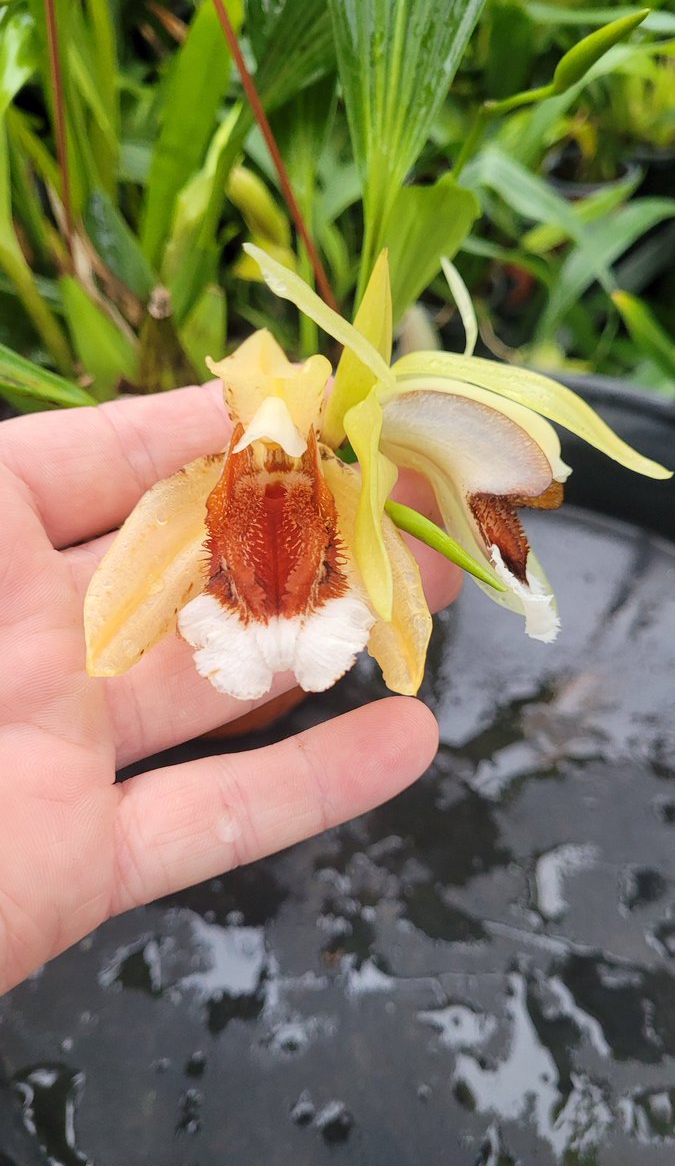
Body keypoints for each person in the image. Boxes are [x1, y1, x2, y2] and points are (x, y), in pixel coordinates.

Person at [0, 381, 460, 996]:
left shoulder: (339, 483)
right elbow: (125, 609)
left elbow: (397, 606)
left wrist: (399, 643)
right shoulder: (207, 485)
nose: (274, 474)